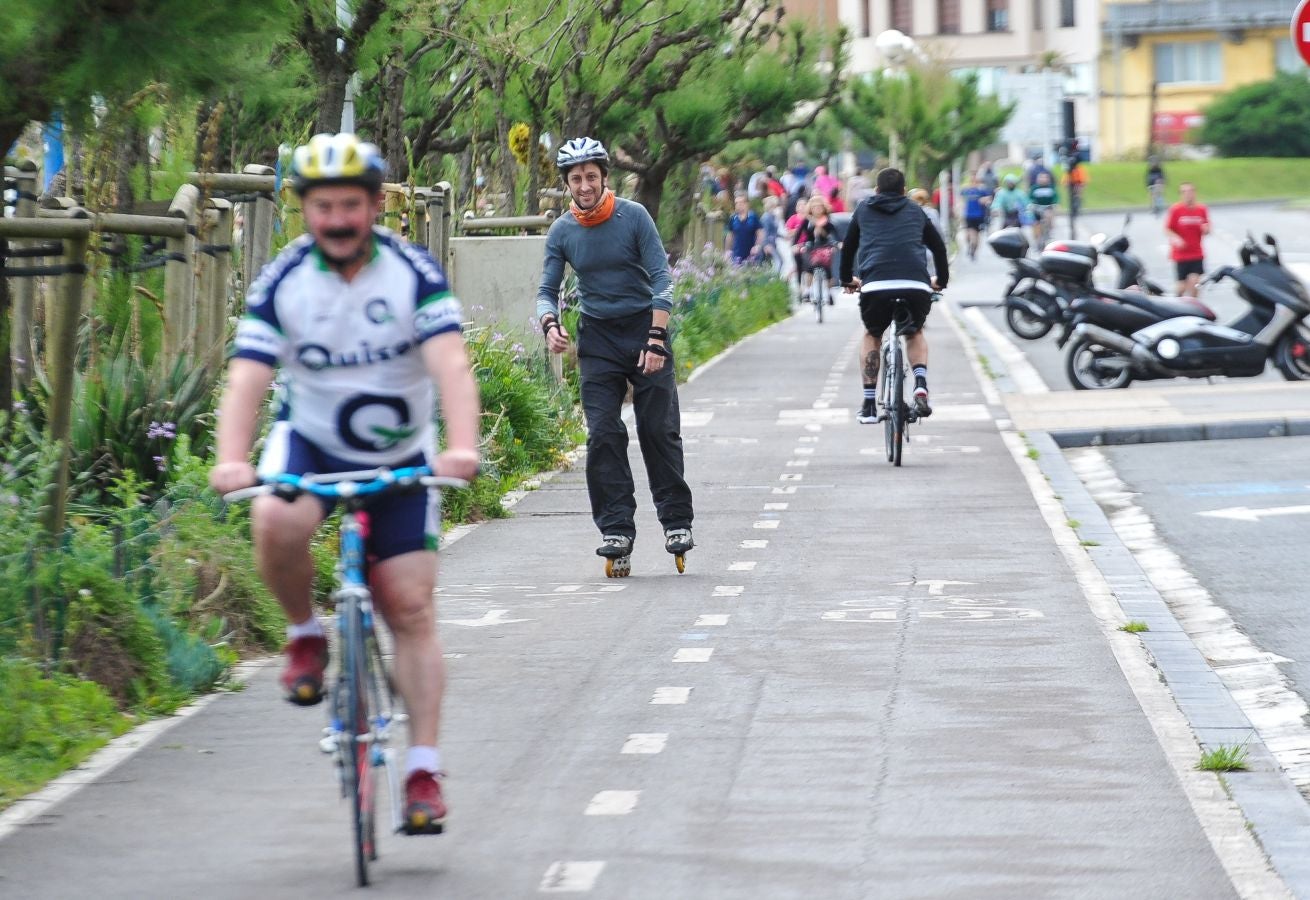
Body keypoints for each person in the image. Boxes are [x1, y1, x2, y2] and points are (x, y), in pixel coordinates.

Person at [208, 133, 481, 835]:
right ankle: (305, 632)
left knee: (410, 605)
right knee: (274, 519)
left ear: (377, 205)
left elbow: (451, 365)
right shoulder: (284, 279)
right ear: (306, 210)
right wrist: (232, 457)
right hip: (314, 445)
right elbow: (249, 375)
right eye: (322, 205)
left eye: (349, 206)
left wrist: (461, 446)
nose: (335, 219)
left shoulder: (412, 272)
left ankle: (422, 770)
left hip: (401, 457)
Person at [536, 137, 695, 567]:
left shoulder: (634, 217)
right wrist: (551, 324)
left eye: (591, 177)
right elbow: (546, 291)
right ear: (567, 184)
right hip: (599, 338)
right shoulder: (563, 231)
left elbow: (662, 279)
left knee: (657, 429)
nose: (584, 185)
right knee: (603, 433)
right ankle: (616, 530)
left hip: (645, 326)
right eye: (576, 179)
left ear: (605, 178)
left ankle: (677, 520)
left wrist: (657, 339)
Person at [839, 167, 949, 424]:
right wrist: (940, 281)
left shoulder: (864, 209)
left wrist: (846, 280)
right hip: (915, 284)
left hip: (876, 285)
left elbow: (848, 248)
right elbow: (939, 248)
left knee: (873, 334)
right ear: (903, 190)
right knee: (914, 332)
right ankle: (920, 384)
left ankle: (868, 404)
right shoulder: (916, 210)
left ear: (876, 190)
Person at [1165, 181, 1210, 298]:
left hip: (1196, 253)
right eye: (1184, 192)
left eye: (1190, 191)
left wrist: (1206, 229)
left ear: (1194, 193)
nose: (1188, 194)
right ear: (1181, 194)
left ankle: (1193, 307)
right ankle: (1176, 305)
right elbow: (1167, 229)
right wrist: (1176, 238)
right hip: (1181, 254)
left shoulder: (1201, 209)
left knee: (1195, 283)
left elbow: (1207, 227)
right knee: (1181, 287)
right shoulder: (1176, 210)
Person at [792, 194, 838, 303]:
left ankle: (830, 293)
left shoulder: (827, 221)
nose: (817, 209)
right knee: (808, 267)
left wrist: (836, 244)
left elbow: (835, 234)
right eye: (814, 207)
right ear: (810, 209)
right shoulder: (807, 221)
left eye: (819, 206)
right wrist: (795, 245)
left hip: (824, 246)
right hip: (811, 246)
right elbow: (798, 235)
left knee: (827, 269)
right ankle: (808, 291)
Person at [959, 173, 990, 260]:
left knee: (975, 234)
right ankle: (970, 246)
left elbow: (988, 199)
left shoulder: (981, 190)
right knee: (968, 234)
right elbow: (961, 200)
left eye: (975, 181)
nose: (973, 182)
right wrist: (960, 209)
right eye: (972, 180)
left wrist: (984, 200)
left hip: (978, 215)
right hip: (968, 215)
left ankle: (973, 250)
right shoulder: (965, 190)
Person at [725, 195, 763, 264]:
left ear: (746, 204)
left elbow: (760, 233)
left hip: (752, 255)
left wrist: (757, 246)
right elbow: (730, 235)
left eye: (741, 203)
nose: (738, 205)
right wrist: (727, 250)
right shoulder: (733, 218)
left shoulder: (753, 217)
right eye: (736, 203)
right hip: (737, 256)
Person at [1028, 171, 1059, 246]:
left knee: (1049, 216)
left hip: (1048, 207)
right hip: (1037, 207)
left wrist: (1055, 204)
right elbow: (1029, 198)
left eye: (1045, 177)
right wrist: (1031, 204)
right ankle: (1036, 239)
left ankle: (1049, 230)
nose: (1043, 179)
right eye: (1041, 177)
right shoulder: (1034, 188)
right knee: (1035, 223)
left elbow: (1056, 198)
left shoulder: (1051, 188)